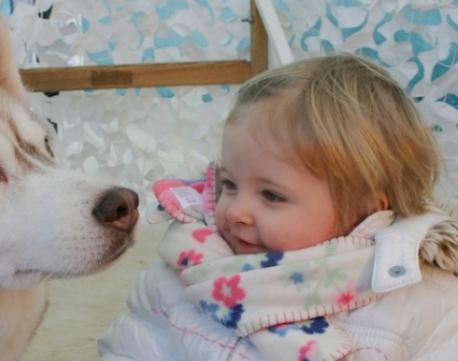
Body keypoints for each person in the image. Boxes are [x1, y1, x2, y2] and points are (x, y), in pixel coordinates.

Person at [99, 54, 458, 361]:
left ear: (367, 208)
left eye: (271, 196)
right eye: (229, 184)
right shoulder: (188, 267)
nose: (236, 211)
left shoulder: (415, 298)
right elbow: (131, 347)